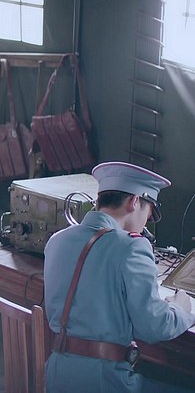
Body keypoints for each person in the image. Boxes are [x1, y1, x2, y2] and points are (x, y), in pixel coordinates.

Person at [44, 161, 195, 392]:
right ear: (135, 202)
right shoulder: (132, 246)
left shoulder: (57, 240)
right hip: (103, 382)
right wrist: (183, 309)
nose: (145, 223)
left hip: (57, 376)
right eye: (149, 213)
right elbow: (154, 327)